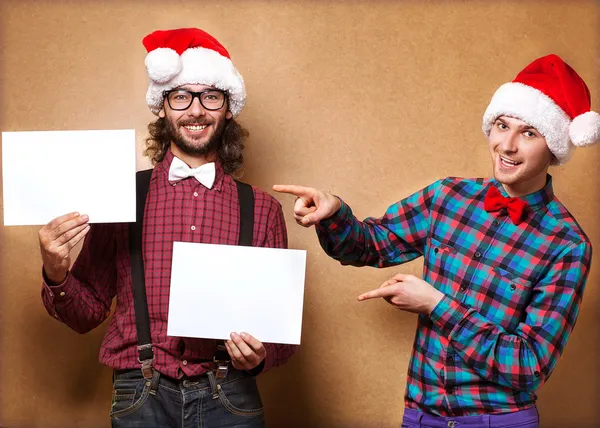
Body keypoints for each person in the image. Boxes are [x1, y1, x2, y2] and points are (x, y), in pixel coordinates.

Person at [274, 54, 598, 427]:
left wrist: (436, 305)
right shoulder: (448, 196)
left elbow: (528, 366)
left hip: (499, 420)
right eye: (502, 125)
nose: (507, 146)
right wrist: (333, 214)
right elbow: (369, 245)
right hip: (420, 416)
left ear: (554, 146)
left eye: (529, 133)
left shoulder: (567, 245)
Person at [39, 27, 296, 428]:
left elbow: (280, 334)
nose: (196, 110)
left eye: (211, 95)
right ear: (163, 107)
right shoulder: (120, 196)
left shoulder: (262, 209)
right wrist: (55, 272)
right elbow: (86, 313)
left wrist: (263, 354)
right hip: (140, 395)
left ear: (228, 107)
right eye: (181, 96)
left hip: (230, 396)